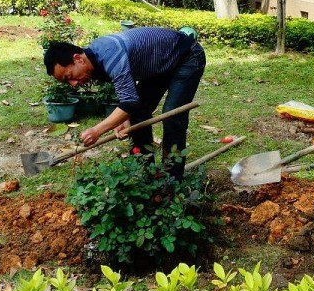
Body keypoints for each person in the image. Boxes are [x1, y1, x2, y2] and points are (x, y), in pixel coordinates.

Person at [44, 27, 205, 179]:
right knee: (136, 114)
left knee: (172, 116)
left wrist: (97, 130)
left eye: (69, 76)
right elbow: (127, 96)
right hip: (159, 63)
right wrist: (124, 119)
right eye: (67, 82)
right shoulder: (94, 60)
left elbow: (129, 102)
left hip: (187, 56)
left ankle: (172, 181)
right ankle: (146, 174)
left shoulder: (110, 55)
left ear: (78, 59)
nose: (73, 84)